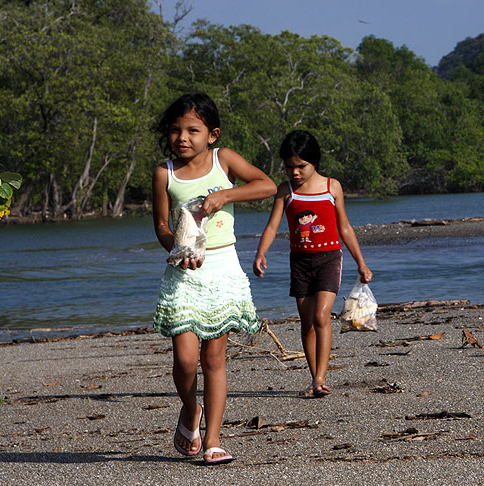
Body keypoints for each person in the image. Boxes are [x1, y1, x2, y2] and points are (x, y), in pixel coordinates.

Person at [151, 92, 276, 464]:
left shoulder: (225, 160)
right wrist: (177, 247)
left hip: (223, 268)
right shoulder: (165, 173)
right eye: (176, 130)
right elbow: (160, 224)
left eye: (193, 130)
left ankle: (214, 440)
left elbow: (267, 185)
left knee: (214, 359)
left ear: (213, 134)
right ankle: (191, 411)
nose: (183, 138)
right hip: (184, 272)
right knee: (186, 359)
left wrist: (226, 194)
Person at [253, 130, 372, 398]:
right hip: (300, 262)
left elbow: (345, 228)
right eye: (289, 167)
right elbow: (272, 226)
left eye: (301, 166)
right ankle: (313, 378)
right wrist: (261, 253)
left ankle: (320, 377)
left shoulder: (333, 187)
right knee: (306, 323)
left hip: (329, 258)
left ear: (314, 162)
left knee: (321, 316)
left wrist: (361, 264)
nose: (294, 172)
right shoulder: (286, 191)